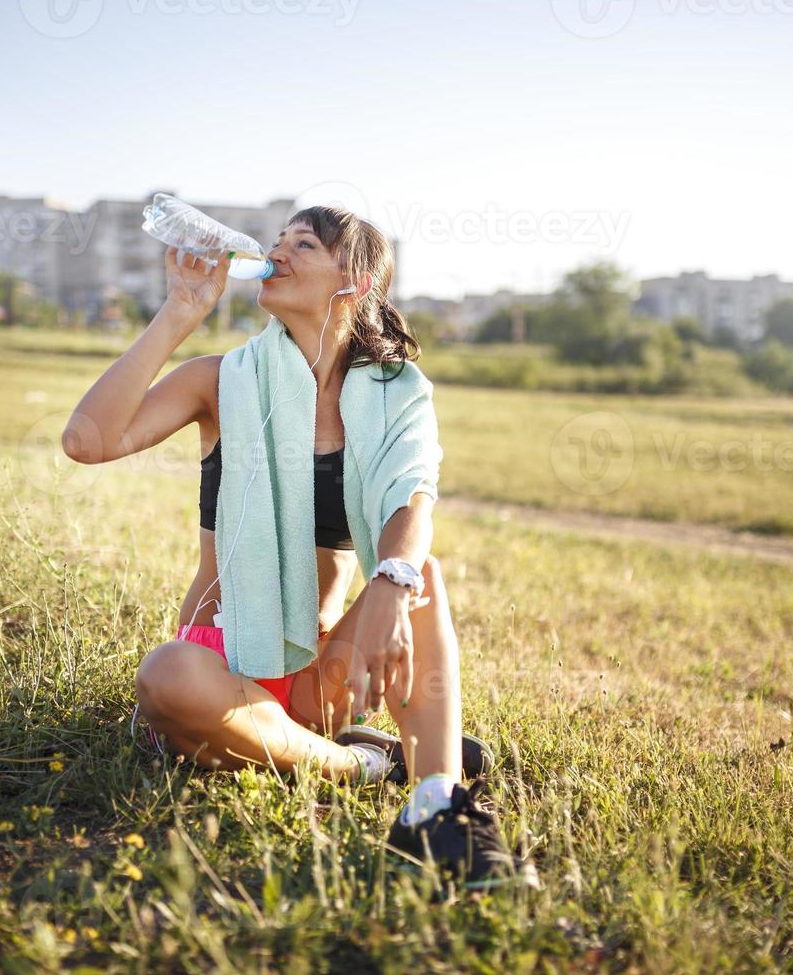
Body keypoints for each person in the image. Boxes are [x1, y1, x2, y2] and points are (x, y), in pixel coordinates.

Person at [63, 205, 534, 891]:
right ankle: (364, 765)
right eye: (278, 240)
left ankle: (435, 806)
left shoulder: (397, 394)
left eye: (303, 244)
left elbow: (413, 502)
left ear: (356, 280)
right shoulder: (221, 381)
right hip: (220, 669)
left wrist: (391, 585)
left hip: (319, 677)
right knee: (166, 674)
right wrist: (180, 311)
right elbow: (89, 441)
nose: (278, 251)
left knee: (417, 571)